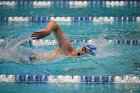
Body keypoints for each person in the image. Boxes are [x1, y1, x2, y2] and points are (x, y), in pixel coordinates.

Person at [30, 20, 96, 61]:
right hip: (31, 58)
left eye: (84, 53)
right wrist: (48, 31)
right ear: (81, 47)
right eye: (83, 49)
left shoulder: (68, 57)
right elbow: (53, 23)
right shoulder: (68, 48)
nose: (81, 52)